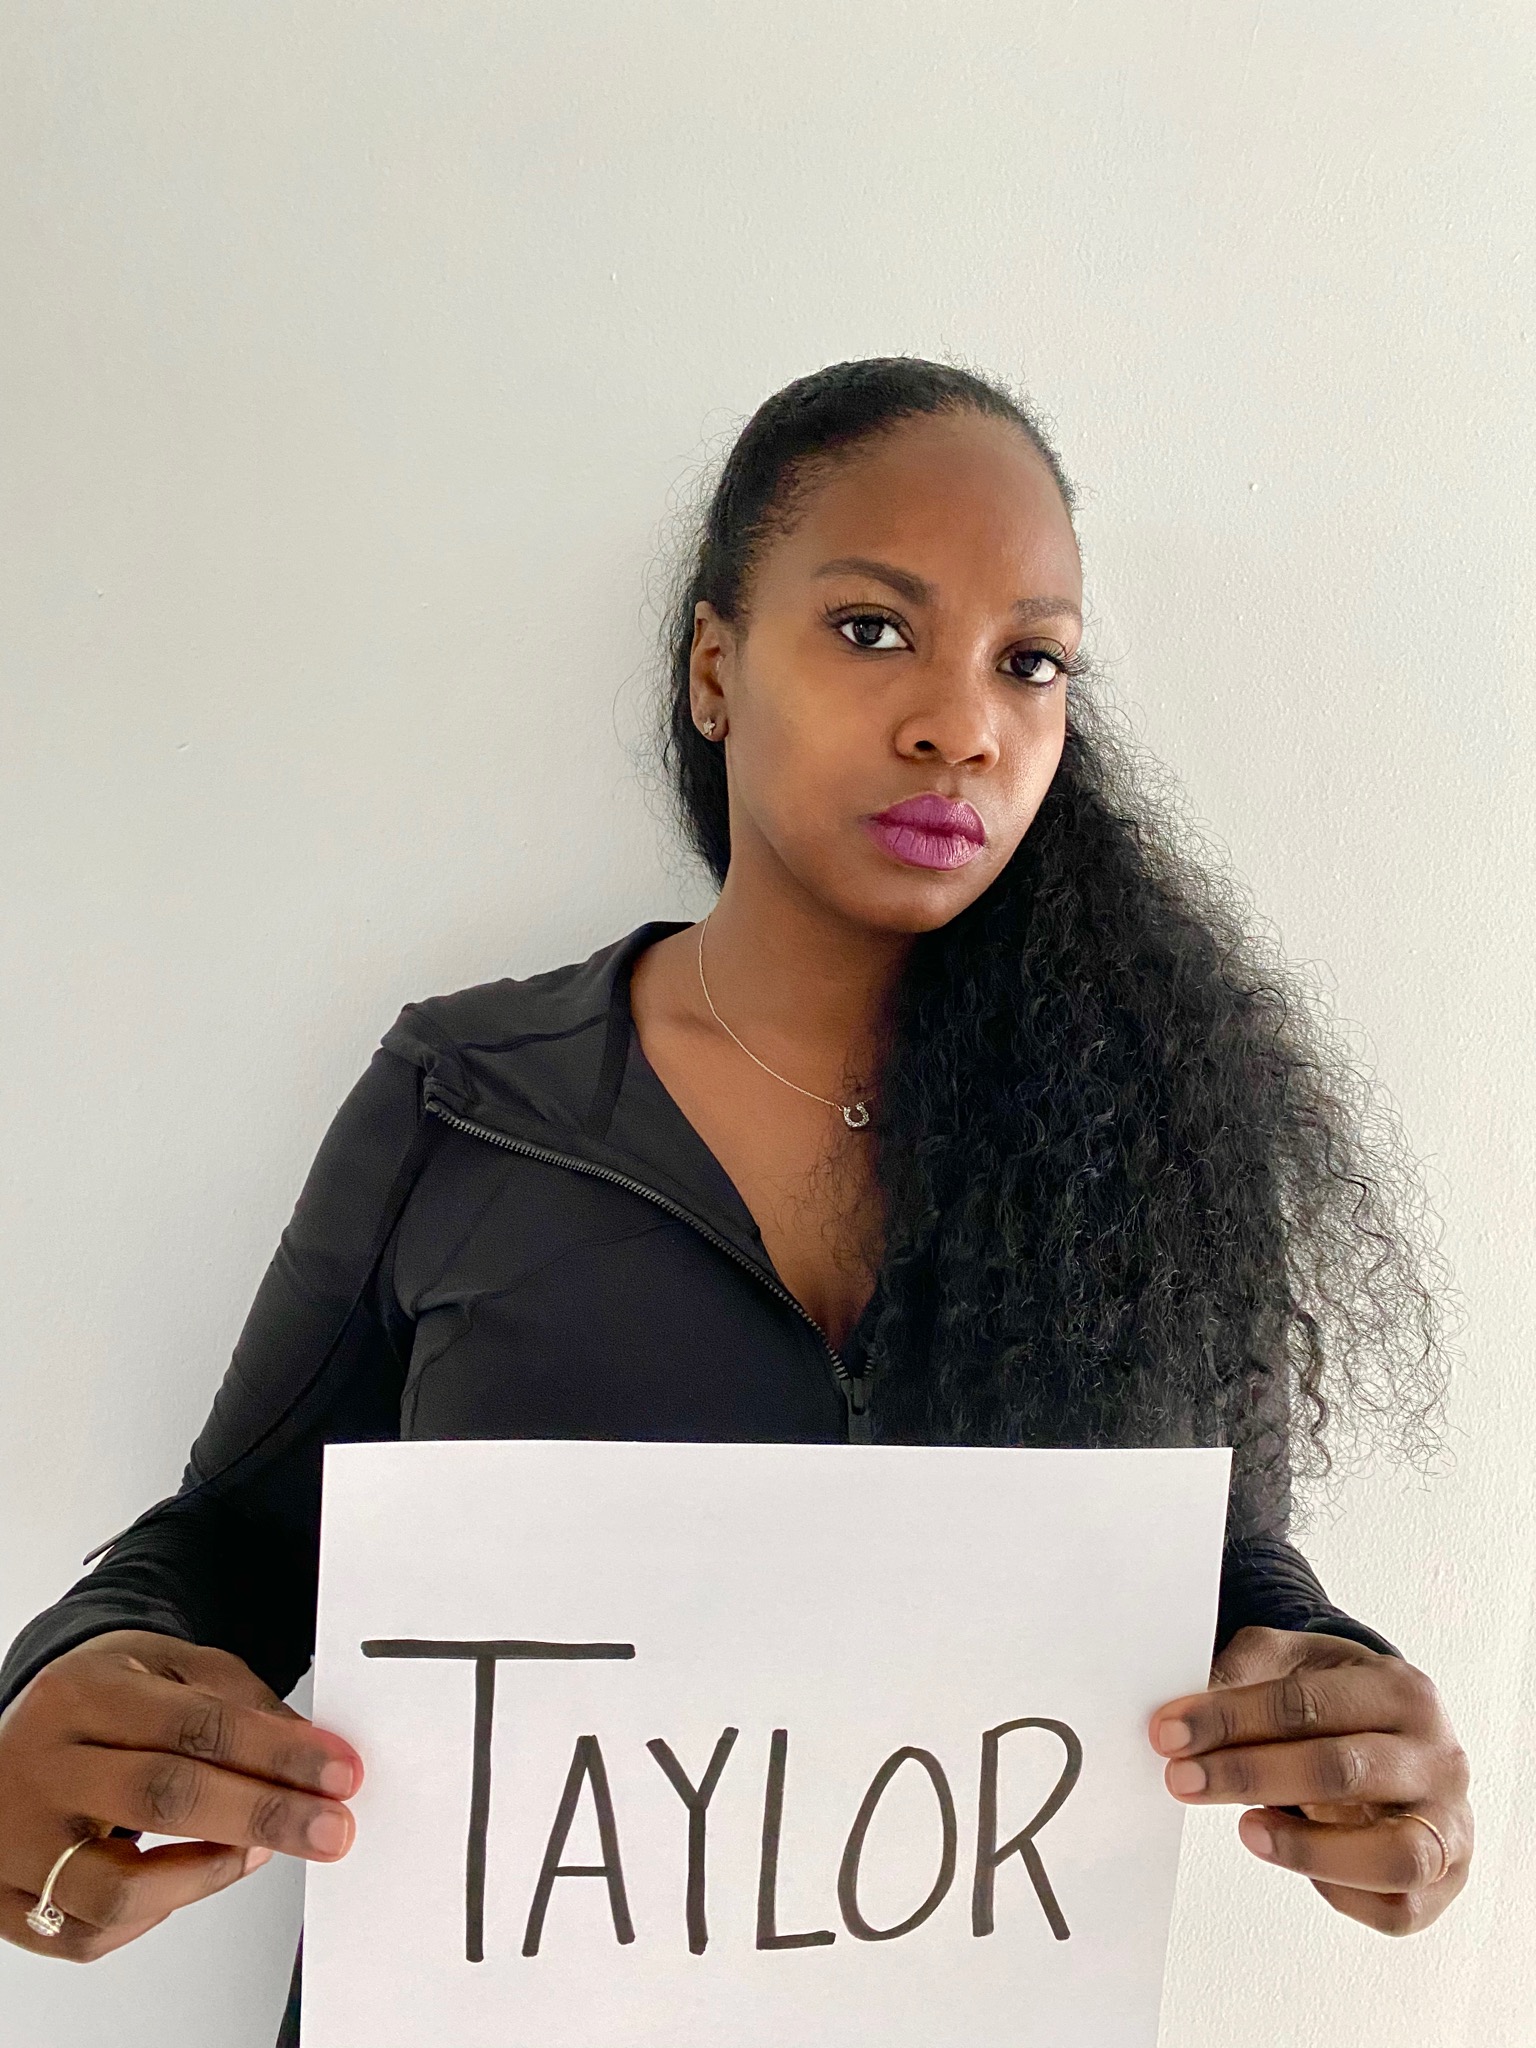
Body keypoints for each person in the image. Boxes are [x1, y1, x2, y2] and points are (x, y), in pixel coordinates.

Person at [0, 359, 1471, 2039]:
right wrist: (62, 1688)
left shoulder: (1158, 1145)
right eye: (872, 628)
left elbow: (1223, 1571)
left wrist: (1344, 1713)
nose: (961, 724)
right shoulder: (470, 1099)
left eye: (1031, 660)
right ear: (714, 667)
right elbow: (232, 1549)